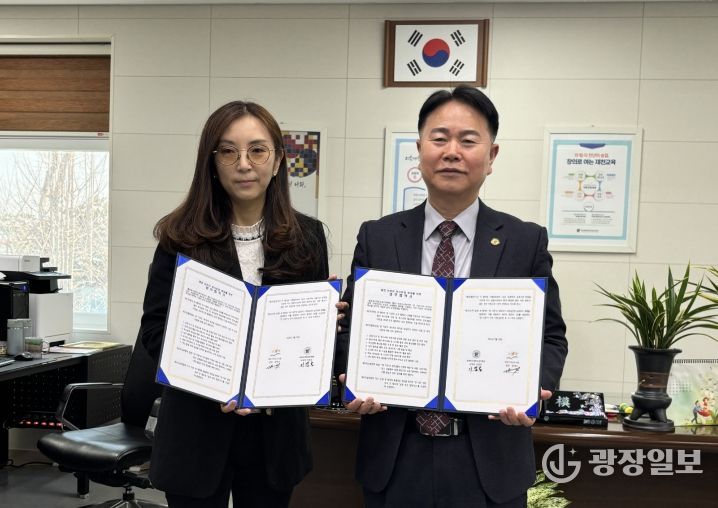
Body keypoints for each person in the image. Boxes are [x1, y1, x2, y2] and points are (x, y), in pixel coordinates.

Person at [335, 85, 568, 508]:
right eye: (439, 138)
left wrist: (534, 388)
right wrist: (351, 379)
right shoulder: (378, 237)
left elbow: (551, 337)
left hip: (490, 461)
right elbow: (351, 328)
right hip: (395, 457)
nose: (452, 152)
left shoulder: (524, 241)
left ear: (491, 156)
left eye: (468, 140)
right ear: (419, 149)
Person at [140, 101, 329, 507]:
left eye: (257, 150)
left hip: (274, 435)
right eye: (228, 151)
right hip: (196, 428)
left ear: (277, 161)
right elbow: (155, 331)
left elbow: (309, 340)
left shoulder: (308, 237)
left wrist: (328, 324)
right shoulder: (179, 238)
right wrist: (215, 382)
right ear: (212, 163)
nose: (244, 164)